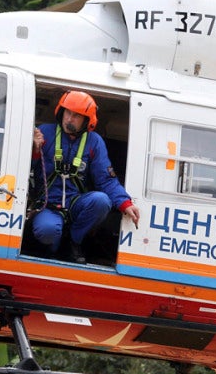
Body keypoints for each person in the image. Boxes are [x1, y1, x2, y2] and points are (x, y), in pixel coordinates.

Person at [30, 90, 140, 263]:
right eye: (67, 113)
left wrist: (125, 203)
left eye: (76, 116)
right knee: (48, 230)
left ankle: (74, 241)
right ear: (61, 112)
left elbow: (106, 179)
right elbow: (25, 168)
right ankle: (53, 247)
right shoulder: (45, 133)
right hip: (48, 203)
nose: (69, 119)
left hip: (76, 202)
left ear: (87, 121)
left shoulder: (94, 142)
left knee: (102, 201)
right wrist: (35, 150)